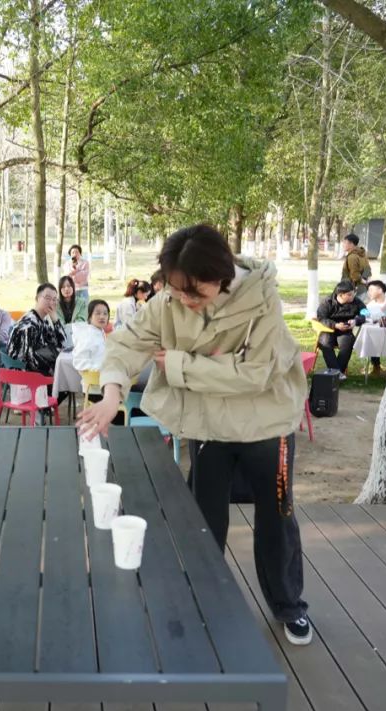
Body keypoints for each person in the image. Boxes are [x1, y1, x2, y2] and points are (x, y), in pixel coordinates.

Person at [78, 224, 313, 646]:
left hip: (267, 423)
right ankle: (201, 598)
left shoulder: (262, 299)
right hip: (209, 424)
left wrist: (180, 364)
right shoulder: (170, 300)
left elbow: (257, 373)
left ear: (221, 274)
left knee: (277, 516)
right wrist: (111, 395)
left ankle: (288, 604)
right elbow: (127, 345)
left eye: (194, 291)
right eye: (175, 289)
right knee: (203, 517)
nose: (184, 300)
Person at [6, 283, 65, 376]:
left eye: (54, 299)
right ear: (37, 298)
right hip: (23, 374)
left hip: (35, 367)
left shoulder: (42, 319)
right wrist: (53, 372)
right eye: (47, 298)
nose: (51, 302)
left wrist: (56, 321)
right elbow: (30, 360)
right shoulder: (29, 325)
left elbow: (62, 343)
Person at [314, 281, 367, 380]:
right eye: (349, 295)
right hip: (328, 330)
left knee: (348, 342)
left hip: (345, 330)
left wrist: (356, 321)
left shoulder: (356, 301)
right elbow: (321, 318)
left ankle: (336, 373)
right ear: (340, 295)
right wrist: (335, 325)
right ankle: (338, 374)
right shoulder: (327, 302)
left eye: (353, 293)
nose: (352, 296)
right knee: (325, 343)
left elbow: (365, 313)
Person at [72, 299, 110, 372]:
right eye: (97, 313)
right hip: (96, 377)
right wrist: (100, 369)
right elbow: (79, 362)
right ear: (90, 316)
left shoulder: (99, 331)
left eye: (105, 313)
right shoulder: (87, 336)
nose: (102, 317)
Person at [340, 233, 371, 297]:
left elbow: (355, 276)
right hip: (362, 289)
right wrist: (366, 282)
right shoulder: (362, 254)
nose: (343, 245)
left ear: (351, 244)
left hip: (352, 289)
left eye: (345, 242)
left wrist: (365, 282)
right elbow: (368, 270)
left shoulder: (352, 257)